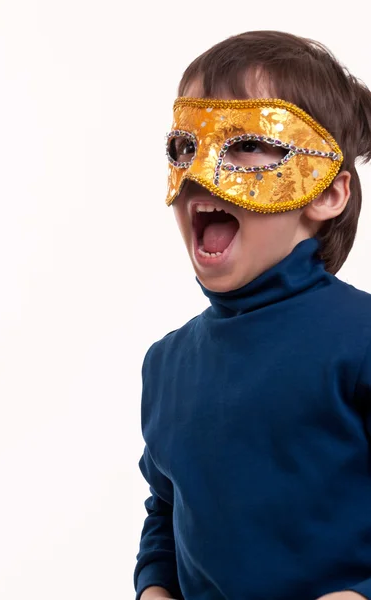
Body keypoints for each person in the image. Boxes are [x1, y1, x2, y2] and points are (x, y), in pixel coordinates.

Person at [133, 30, 371, 600]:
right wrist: (155, 589)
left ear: (327, 194)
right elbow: (165, 513)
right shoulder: (166, 363)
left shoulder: (361, 340)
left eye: (245, 146)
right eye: (184, 147)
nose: (198, 173)